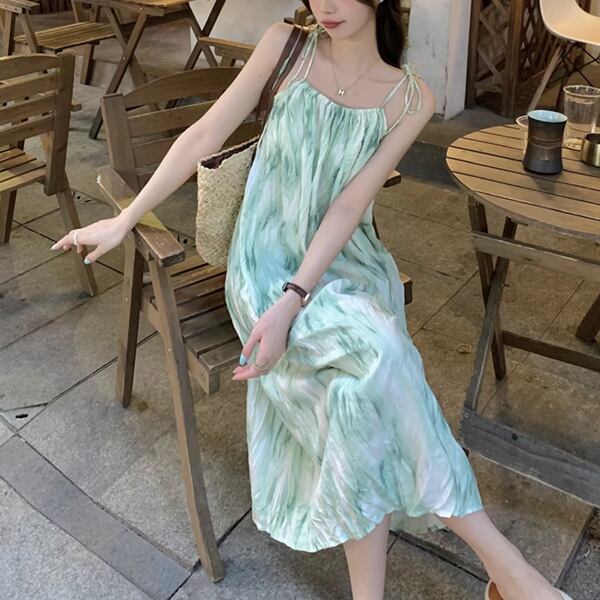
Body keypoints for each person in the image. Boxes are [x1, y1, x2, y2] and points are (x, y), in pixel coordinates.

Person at [51, 1, 574, 599]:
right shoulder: (286, 46)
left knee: (358, 400)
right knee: (383, 359)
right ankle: (512, 574)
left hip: (345, 268)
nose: (325, 5)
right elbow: (203, 135)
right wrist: (126, 219)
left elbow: (350, 205)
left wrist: (297, 300)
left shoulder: (411, 99)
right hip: (263, 268)